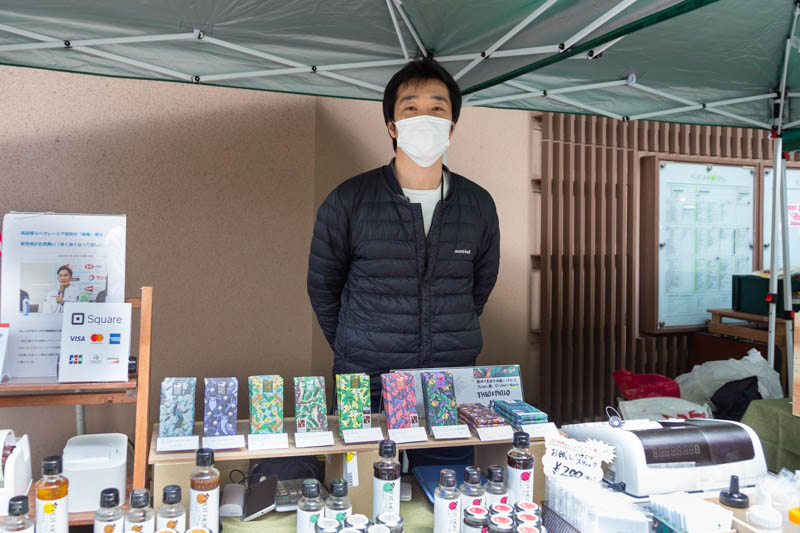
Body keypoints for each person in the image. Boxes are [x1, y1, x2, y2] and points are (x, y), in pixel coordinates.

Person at [307, 58, 501, 407]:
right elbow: (323, 287)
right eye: (411, 108)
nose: (424, 118)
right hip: (366, 382)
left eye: (437, 108)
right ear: (392, 126)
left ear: (451, 127)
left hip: (449, 379)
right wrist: (355, 344)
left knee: (450, 449)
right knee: (361, 449)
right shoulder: (349, 199)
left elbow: (478, 289)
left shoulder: (478, 204)